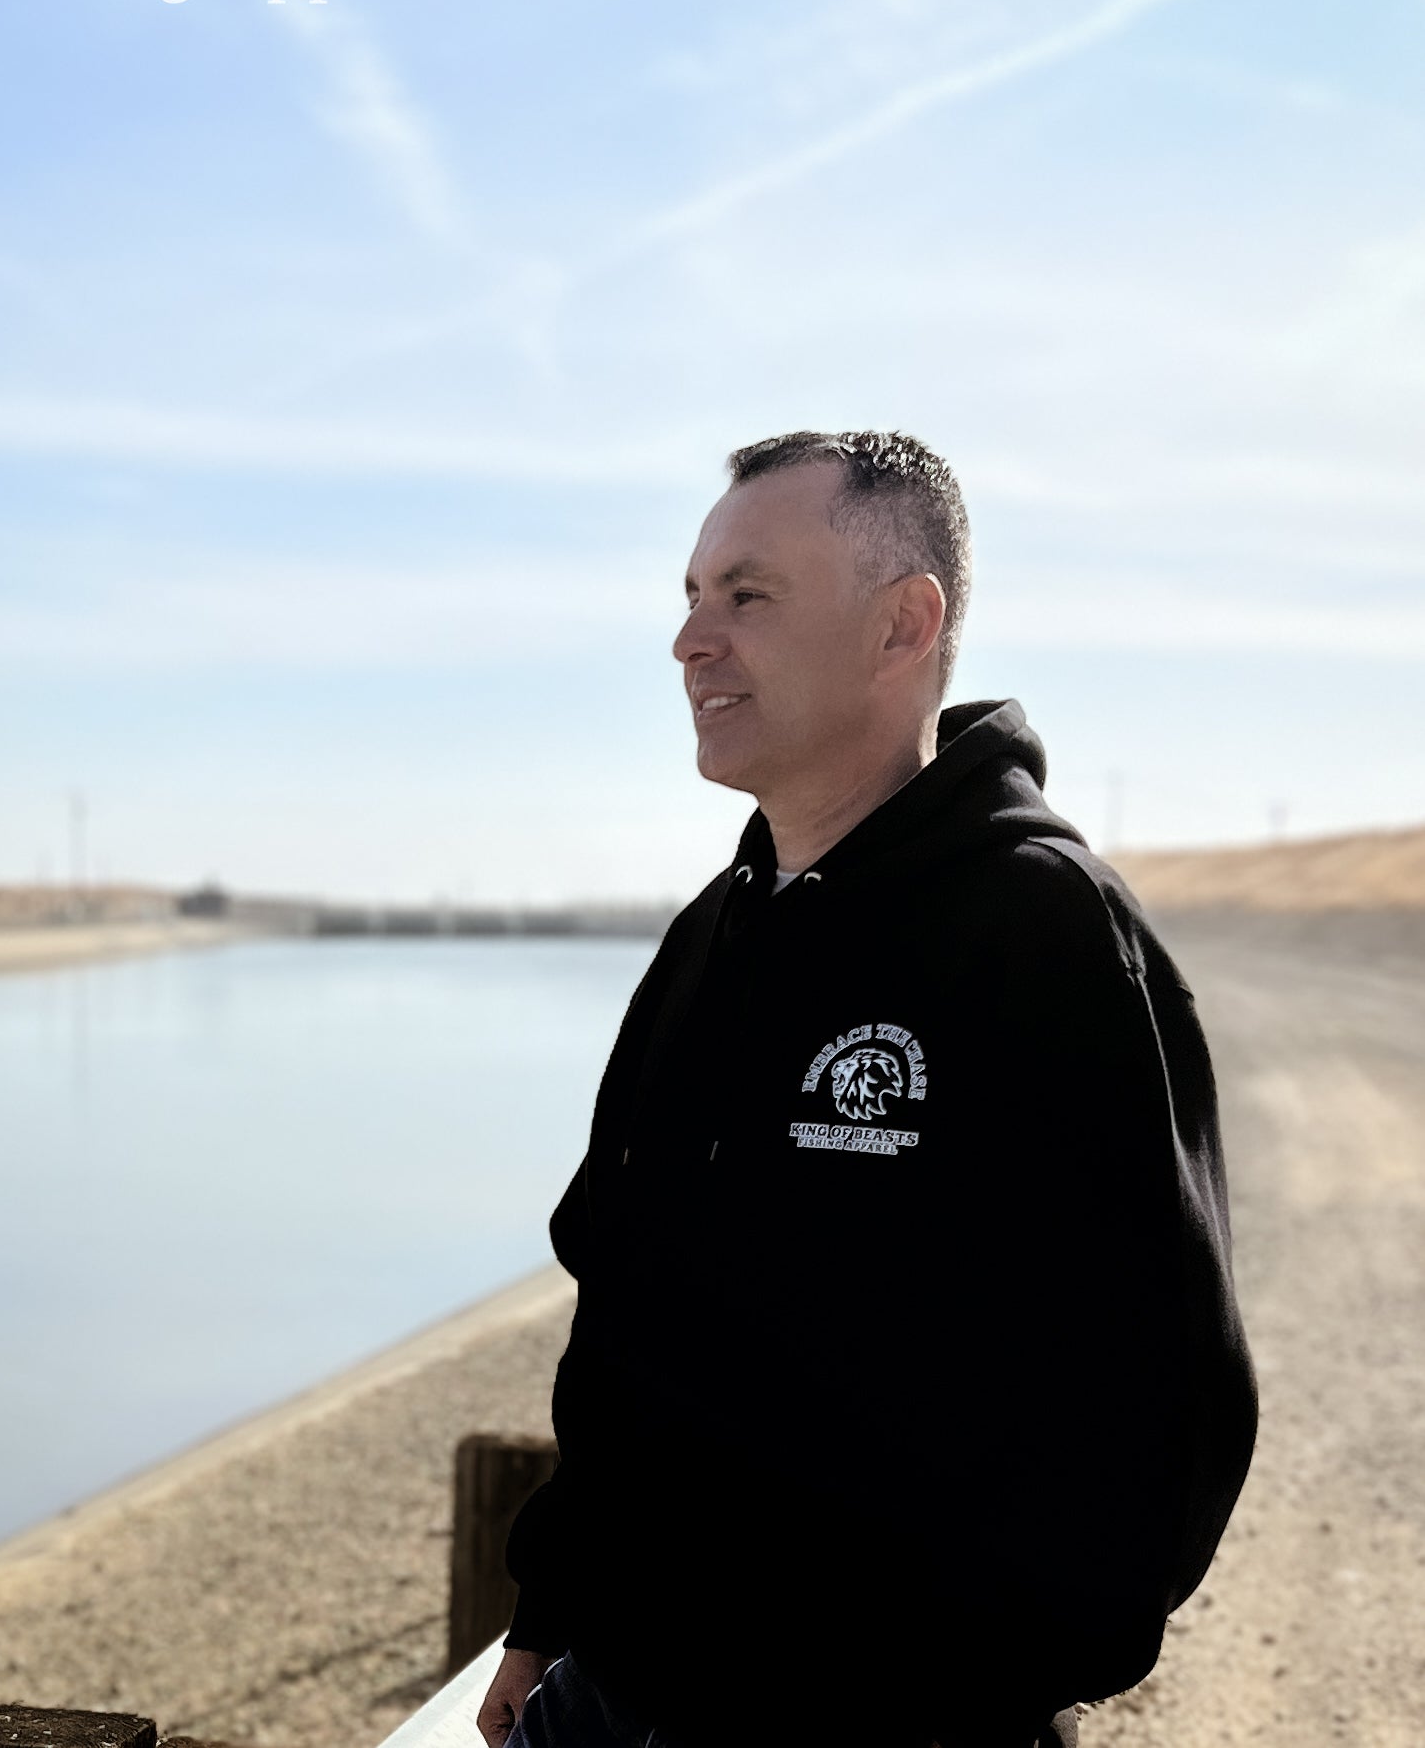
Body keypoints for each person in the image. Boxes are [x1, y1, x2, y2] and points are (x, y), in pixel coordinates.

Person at [477, 429, 1258, 1748]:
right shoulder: (707, 939)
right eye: (688, 596)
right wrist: (549, 1615)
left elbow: (1157, 1388)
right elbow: (619, 1311)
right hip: (611, 1697)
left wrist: (969, 1687)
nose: (689, 641)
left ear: (902, 625)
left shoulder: (1042, 933)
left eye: (747, 595)